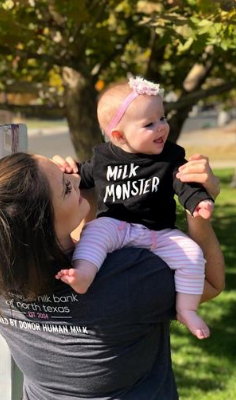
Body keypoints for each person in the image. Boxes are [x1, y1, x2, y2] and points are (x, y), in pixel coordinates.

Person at [0, 151, 224, 400]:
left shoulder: (0, 280)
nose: (75, 178)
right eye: (66, 188)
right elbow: (209, 283)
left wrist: (76, 196)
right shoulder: (126, 276)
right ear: (44, 225)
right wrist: (196, 206)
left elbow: (81, 248)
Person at [53, 77, 215, 340]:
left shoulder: (169, 157)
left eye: (162, 118)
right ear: (118, 135)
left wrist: (199, 202)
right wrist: (65, 173)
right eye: (149, 124)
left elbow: (185, 182)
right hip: (115, 224)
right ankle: (83, 274)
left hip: (159, 232)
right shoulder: (104, 158)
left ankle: (187, 308)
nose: (162, 127)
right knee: (93, 236)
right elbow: (82, 176)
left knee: (193, 256)